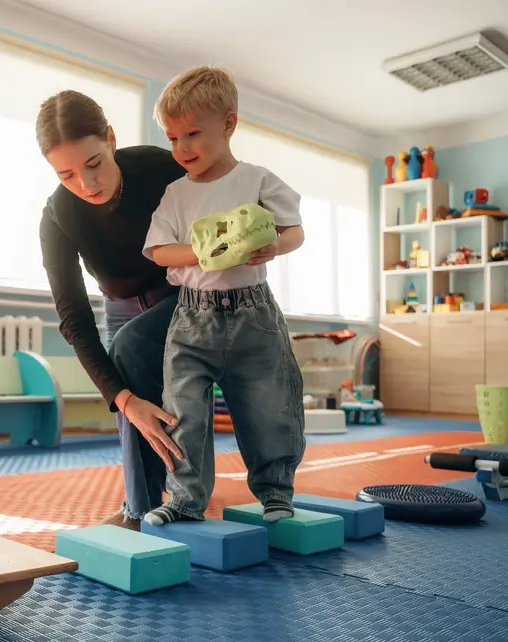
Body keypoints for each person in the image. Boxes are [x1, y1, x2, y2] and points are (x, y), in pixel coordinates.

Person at [141, 65, 307, 526]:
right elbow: (157, 251)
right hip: (193, 319)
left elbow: (294, 231)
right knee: (183, 409)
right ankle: (185, 499)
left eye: (193, 134)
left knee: (270, 404)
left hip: (254, 316)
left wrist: (274, 244)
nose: (182, 148)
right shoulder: (175, 194)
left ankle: (275, 493)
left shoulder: (255, 180)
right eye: (173, 138)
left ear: (229, 124)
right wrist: (207, 251)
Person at [35, 89, 187, 531]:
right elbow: (75, 321)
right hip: (121, 304)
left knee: (135, 350)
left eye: (94, 163)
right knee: (132, 394)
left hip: (184, 289)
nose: (86, 184)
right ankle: (140, 508)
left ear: (111, 140)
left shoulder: (160, 167)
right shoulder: (57, 216)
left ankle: (168, 497)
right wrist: (123, 401)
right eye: (66, 175)